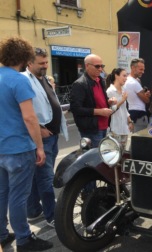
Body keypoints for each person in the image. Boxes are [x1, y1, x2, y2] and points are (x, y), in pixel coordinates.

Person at [0, 36, 53, 251]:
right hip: (19, 148)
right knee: (18, 196)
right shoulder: (19, 80)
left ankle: (3, 234)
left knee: (2, 193)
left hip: (1, 147)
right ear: (24, 57)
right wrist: (39, 147)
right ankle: (24, 238)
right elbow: (30, 118)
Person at [22, 47, 68, 229]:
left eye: (46, 62)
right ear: (29, 63)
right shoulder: (25, 80)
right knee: (45, 178)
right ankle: (52, 215)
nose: (45, 66)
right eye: (41, 63)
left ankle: (33, 210)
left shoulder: (44, 79)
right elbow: (23, 110)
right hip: (42, 137)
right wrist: (39, 128)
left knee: (36, 176)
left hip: (52, 135)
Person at [70, 54, 117, 147]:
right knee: (94, 158)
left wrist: (109, 101)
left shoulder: (100, 80)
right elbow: (76, 109)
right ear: (87, 66)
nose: (100, 69)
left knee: (102, 157)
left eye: (102, 66)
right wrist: (99, 112)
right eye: (97, 66)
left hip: (104, 126)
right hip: (92, 129)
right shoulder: (80, 84)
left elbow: (100, 100)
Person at [106, 68, 133, 146]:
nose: (126, 78)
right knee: (115, 152)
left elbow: (124, 109)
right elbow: (111, 110)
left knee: (123, 153)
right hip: (114, 128)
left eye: (126, 76)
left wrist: (130, 121)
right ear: (116, 76)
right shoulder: (110, 91)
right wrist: (122, 100)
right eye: (124, 75)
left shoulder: (124, 90)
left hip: (124, 128)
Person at [124, 58, 151, 132]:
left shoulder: (127, 80)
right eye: (140, 69)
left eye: (143, 69)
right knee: (139, 140)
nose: (143, 72)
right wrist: (146, 96)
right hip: (139, 115)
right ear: (133, 67)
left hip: (131, 112)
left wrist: (144, 94)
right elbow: (146, 100)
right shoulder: (134, 83)